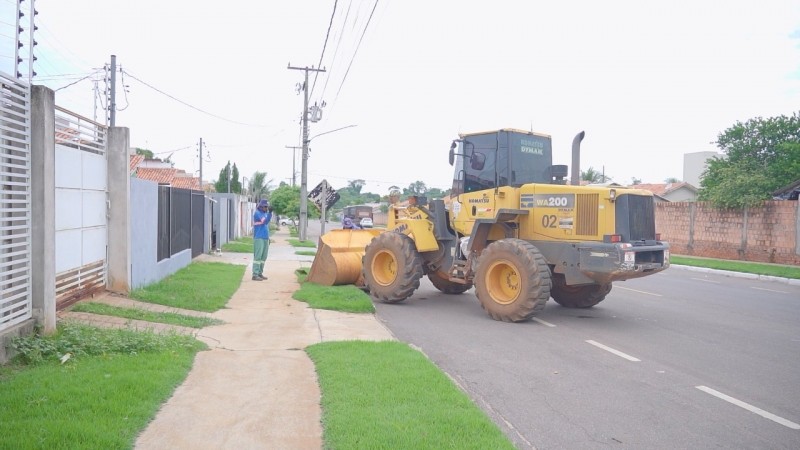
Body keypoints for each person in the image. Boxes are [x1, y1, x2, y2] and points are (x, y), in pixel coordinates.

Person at [252, 199, 273, 281]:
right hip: (259, 237)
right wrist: (270, 213)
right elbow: (264, 222)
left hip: (265, 238)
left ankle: (260, 273)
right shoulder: (257, 213)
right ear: (260, 206)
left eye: (267, 207)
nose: (266, 208)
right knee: (258, 256)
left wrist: (268, 238)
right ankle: (255, 274)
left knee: (263, 257)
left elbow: (266, 226)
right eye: (265, 207)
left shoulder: (265, 214)